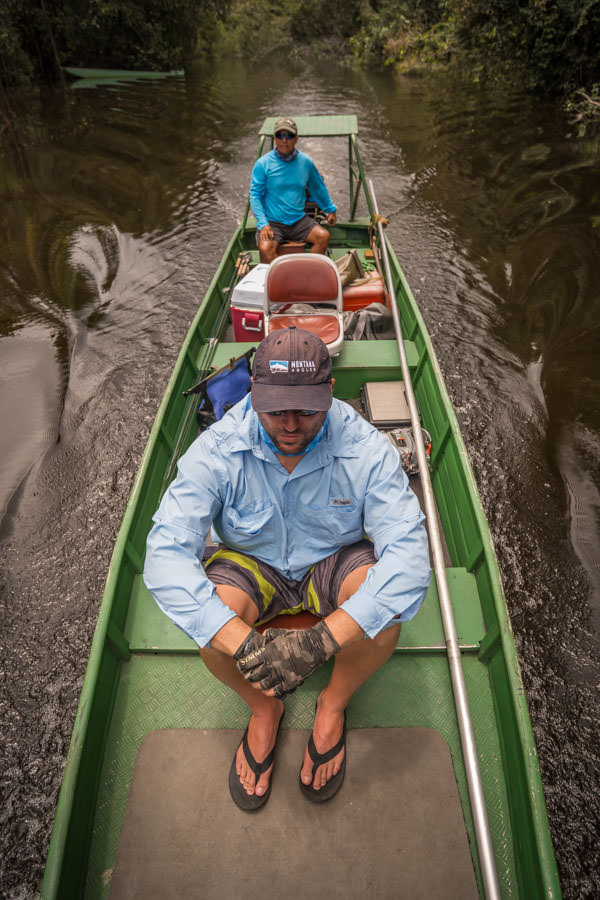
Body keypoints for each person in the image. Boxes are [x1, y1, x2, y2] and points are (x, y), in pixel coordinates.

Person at [143, 326, 431, 810]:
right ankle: (263, 706)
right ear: (253, 394)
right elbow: (166, 551)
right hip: (254, 565)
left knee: (385, 620)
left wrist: (322, 641)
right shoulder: (217, 449)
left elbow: (410, 555)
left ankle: (333, 702)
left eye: (308, 411)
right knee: (210, 630)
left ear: (331, 394)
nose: (291, 425)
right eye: (276, 410)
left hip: (332, 562)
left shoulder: (366, 449)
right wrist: (243, 643)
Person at [249, 116, 338, 263]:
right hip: (272, 221)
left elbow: (317, 187)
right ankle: (285, 275)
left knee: (323, 237)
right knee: (265, 248)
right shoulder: (263, 164)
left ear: (296, 139)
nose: (285, 140)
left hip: (298, 220)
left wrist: (330, 209)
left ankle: (306, 272)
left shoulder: (306, 162)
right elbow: (255, 195)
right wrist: (263, 224)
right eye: (280, 135)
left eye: (289, 135)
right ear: (275, 139)